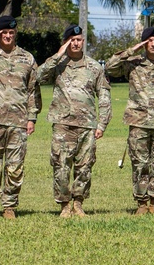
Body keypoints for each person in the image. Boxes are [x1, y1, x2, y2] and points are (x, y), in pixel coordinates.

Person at [105, 26, 154, 215]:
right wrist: (133, 50)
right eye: (149, 41)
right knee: (139, 163)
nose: (153, 44)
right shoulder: (133, 63)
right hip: (138, 121)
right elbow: (109, 66)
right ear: (144, 43)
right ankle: (141, 202)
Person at [37, 25, 112, 217]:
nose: (76, 43)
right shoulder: (58, 64)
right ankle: (64, 205)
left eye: (79, 39)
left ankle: (78, 203)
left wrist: (102, 124)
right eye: (72, 39)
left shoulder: (94, 67)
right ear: (65, 42)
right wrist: (57, 55)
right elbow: (38, 76)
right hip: (63, 124)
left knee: (84, 167)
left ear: (83, 41)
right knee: (61, 166)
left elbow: (104, 96)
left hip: (87, 125)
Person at [0, 15, 42, 219]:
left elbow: (33, 90)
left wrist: (32, 118)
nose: (8, 36)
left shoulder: (27, 58)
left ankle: (10, 206)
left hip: (19, 120)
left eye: (11, 33)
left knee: (15, 166)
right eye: (4, 33)